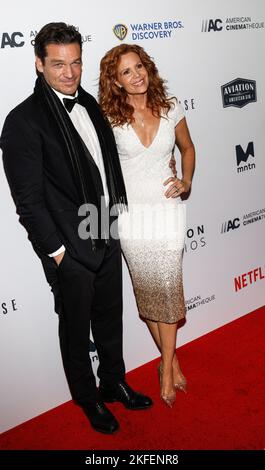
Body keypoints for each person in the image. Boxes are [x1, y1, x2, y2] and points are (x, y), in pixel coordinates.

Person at [0, 24, 152, 435]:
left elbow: (106, 170)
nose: (69, 73)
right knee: (75, 329)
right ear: (39, 64)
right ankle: (87, 398)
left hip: (104, 229)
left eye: (76, 62)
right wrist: (58, 254)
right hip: (69, 248)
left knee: (110, 317)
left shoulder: (90, 103)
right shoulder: (22, 121)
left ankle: (114, 381)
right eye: (58, 64)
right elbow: (28, 202)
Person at [99, 44, 195, 407]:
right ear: (117, 81)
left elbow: (188, 148)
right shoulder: (107, 117)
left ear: (148, 68)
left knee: (168, 289)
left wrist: (185, 180)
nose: (136, 74)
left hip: (168, 210)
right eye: (126, 71)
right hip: (132, 217)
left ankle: (164, 368)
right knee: (150, 292)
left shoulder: (171, 106)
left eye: (139, 66)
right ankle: (173, 361)